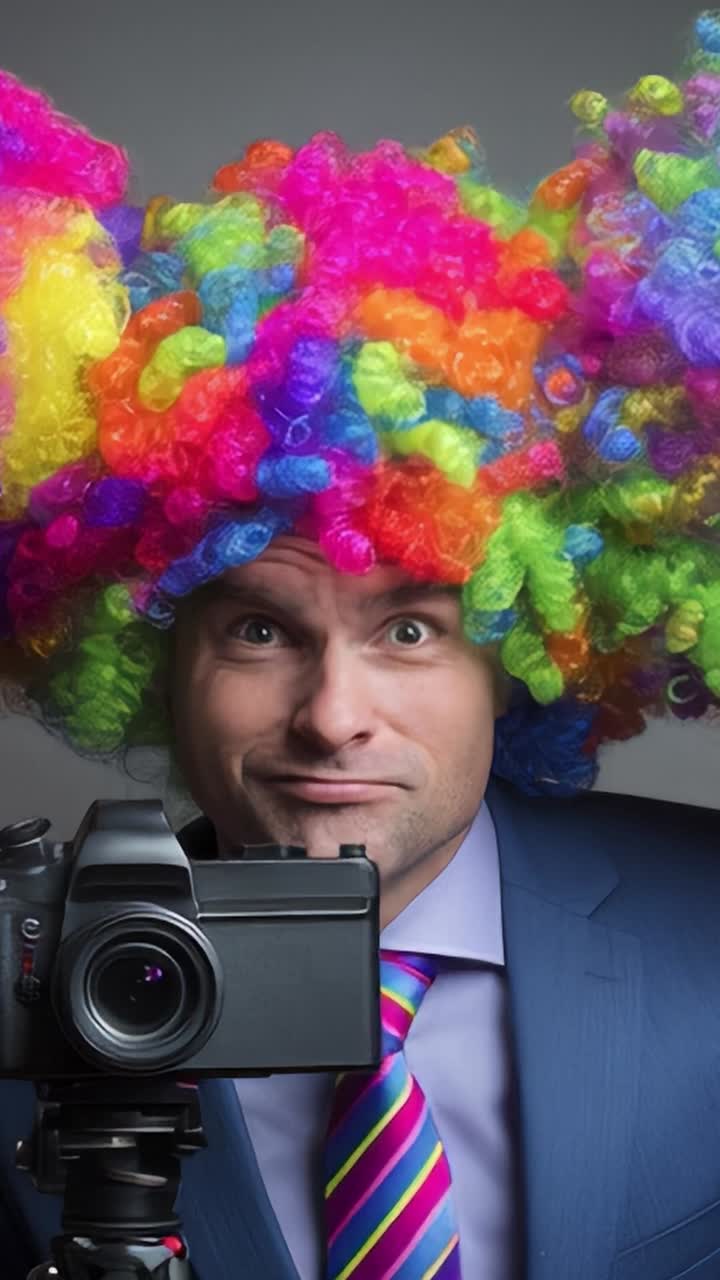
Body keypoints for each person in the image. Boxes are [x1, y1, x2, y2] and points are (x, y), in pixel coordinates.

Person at [0, 12, 719, 1279]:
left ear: (522, 647)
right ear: (149, 650)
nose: (334, 714)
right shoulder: (29, 1003)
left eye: (407, 628)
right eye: (262, 629)